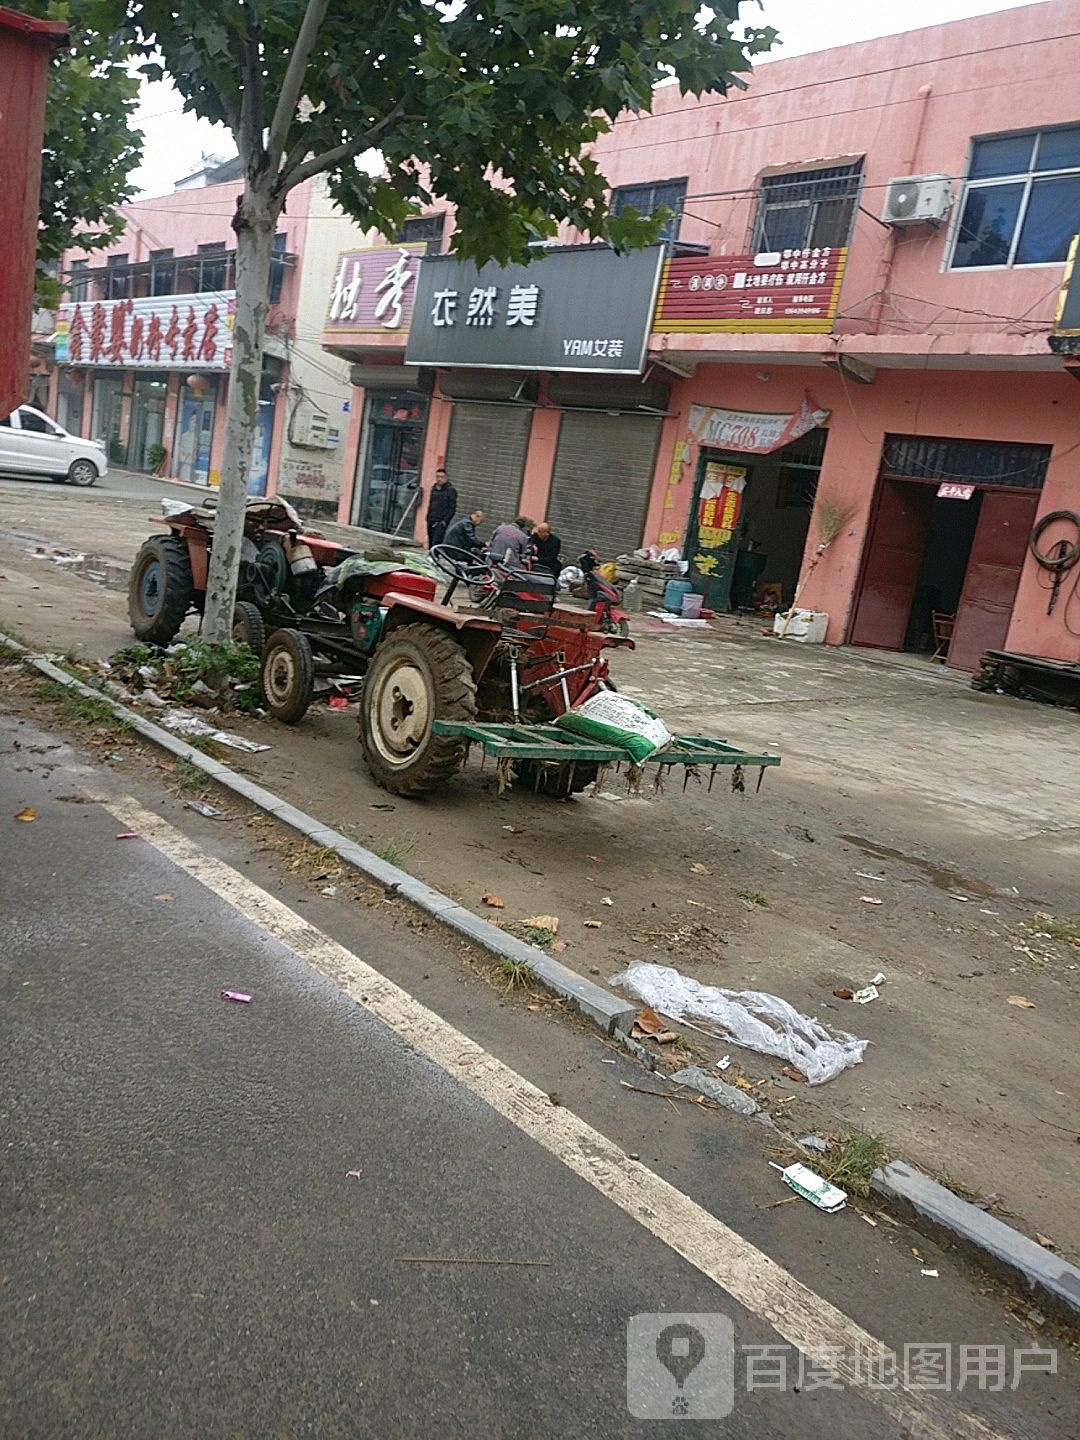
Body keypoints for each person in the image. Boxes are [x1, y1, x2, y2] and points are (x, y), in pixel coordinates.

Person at [426, 466, 458, 548]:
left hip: (441, 521)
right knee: (430, 541)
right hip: (431, 519)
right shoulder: (434, 488)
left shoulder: (450, 490)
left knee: (436, 542)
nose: (439, 479)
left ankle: (435, 558)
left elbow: (452, 508)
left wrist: (444, 521)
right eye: (437, 477)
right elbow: (431, 503)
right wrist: (428, 516)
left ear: (446, 478)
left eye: (442, 477)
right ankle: (430, 556)